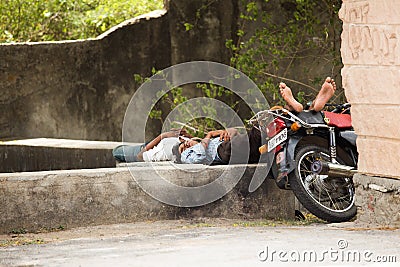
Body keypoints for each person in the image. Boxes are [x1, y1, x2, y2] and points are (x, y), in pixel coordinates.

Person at [172, 127, 262, 165]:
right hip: (222, 152)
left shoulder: (206, 141)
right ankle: (262, 129)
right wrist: (209, 135)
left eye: (185, 144)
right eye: (183, 149)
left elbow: (235, 133)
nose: (186, 145)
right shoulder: (184, 157)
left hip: (230, 144)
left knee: (252, 145)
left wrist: (229, 131)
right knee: (252, 137)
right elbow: (200, 156)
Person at [113, 129, 194, 163]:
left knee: (116, 151)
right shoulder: (190, 143)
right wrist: (185, 134)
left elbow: (140, 156)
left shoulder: (167, 152)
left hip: (143, 151)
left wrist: (163, 135)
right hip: (152, 144)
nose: (187, 144)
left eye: (185, 149)